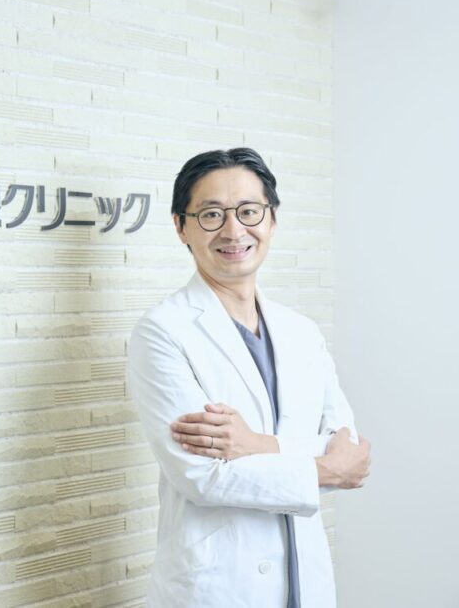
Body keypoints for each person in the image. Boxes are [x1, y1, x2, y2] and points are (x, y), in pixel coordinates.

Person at [127, 148, 371, 608]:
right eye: (211, 214)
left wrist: (255, 445)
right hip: (219, 587)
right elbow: (205, 476)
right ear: (180, 227)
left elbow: (350, 448)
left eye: (248, 211)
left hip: (307, 583)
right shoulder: (162, 333)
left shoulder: (302, 332)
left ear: (272, 219)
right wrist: (324, 468)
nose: (233, 230)